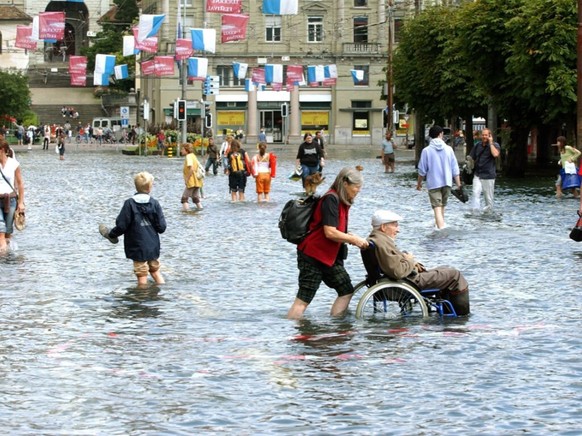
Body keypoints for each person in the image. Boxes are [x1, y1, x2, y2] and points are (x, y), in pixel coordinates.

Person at [287, 167, 369, 319]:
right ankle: (292, 334)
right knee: (303, 300)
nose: (358, 190)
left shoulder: (342, 200)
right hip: (312, 256)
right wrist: (353, 239)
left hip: (328, 258)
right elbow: (329, 232)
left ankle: (337, 326)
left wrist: (349, 236)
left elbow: (336, 230)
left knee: (346, 290)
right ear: (345, 183)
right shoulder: (331, 199)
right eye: (356, 187)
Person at [365, 210, 470, 315]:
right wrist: (409, 260)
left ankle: (448, 311)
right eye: (395, 225)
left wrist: (408, 260)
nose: (398, 230)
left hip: (399, 280)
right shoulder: (382, 243)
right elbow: (397, 272)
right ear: (383, 227)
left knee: (445, 269)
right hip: (409, 282)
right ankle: (462, 316)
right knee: (454, 275)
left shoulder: (375, 240)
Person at [99, 171, 167, 287]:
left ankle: (141, 298)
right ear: (150, 188)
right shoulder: (154, 203)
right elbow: (162, 227)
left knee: (142, 275)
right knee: (155, 271)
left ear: (136, 186)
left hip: (137, 246)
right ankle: (162, 292)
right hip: (153, 246)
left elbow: (122, 225)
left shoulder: (129, 204)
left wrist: (112, 234)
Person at [416, 125, 462, 229]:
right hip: (447, 182)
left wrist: (419, 184)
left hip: (434, 184)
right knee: (442, 207)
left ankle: (441, 231)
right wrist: (459, 185)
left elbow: (422, 171)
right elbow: (455, 169)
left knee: (437, 208)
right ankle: (441, 226)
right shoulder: (449, 149)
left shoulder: (426, 151)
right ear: (440, 134)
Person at [0, 139, 25, 252]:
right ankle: (3, 252)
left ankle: (8, 259)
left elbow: (20, 183)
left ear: (2, 150)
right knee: (1, 228)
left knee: (8, 231)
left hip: (11, 200)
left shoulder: (13, 164)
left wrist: (20, 202)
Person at [469, 128, 501, 213]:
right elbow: (471, 157)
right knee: (475, 193)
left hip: (489, 176)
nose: (484, 137)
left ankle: (488, 215)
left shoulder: (495, 145)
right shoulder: (477, 145)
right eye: (483, 135)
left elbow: (495, 154)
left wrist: (490, 143)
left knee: (488, 199)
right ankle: (475, 213)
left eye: (486, 135)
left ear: (490, 136)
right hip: (478, 174)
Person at [180, 143, 204, 211]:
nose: (181, 151)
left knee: (184, 198)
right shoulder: (193, 155)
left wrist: (187, 179)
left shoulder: (188, 156)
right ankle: (200, 209)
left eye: (182, 149)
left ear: (186, 150)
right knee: (195, 197)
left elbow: (191, 168)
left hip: (191, 181)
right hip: (197, 181)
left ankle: (187, 212)